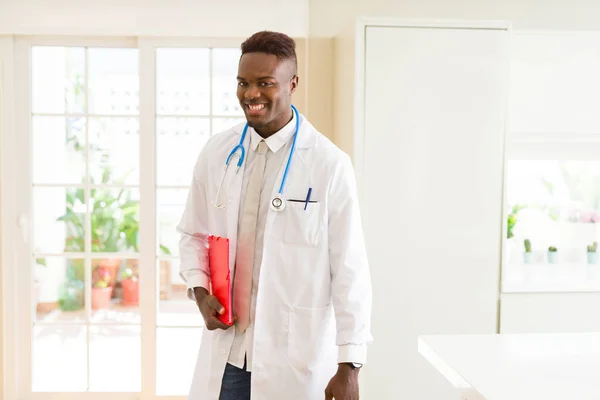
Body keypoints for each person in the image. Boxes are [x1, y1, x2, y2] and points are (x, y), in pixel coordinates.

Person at [177, 30, 372, 400]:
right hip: (230, 353)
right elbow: (192, 233)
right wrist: (200, 292)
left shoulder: (329, 165)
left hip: (293, 357)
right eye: (243, 83)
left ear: (292, 83)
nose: (251, 94)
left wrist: (350, 365)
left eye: (265, 83)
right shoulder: (217, 153)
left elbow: (350, 269)